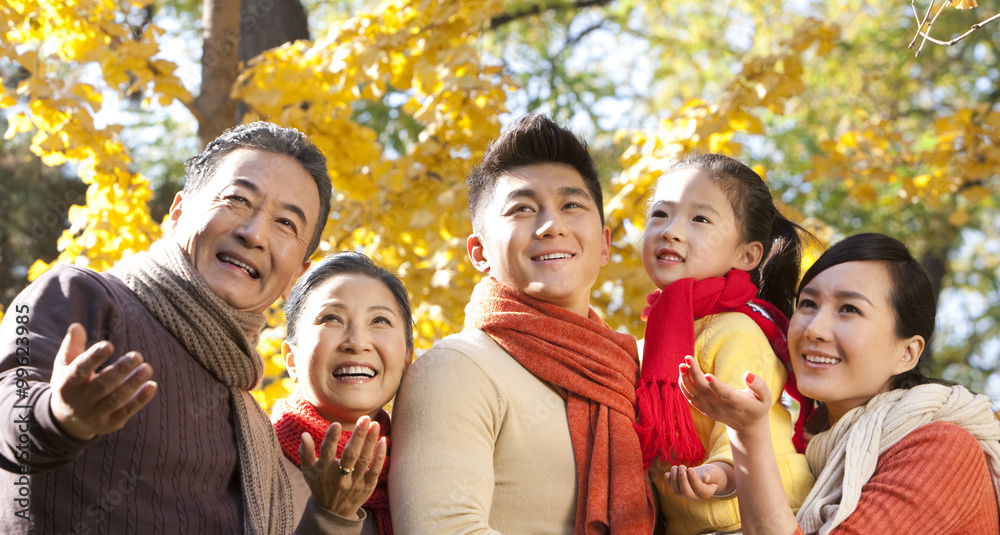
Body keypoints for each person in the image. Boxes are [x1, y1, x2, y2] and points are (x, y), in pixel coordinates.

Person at [0, 121, 357, 533]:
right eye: (238, 199)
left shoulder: (251, 420)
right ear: (178, 212)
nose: (254, 233)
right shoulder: (82, 294)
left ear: (296, 276)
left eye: (286, 224)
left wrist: (331, 515)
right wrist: (60, 418)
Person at [389, 113, 656, 533]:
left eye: (571, 205)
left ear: (604, 244)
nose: (552, 226)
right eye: (523, 209)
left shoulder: (632, 370)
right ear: (479, 253)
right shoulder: (457, 367)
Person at [679, 232, 1000, 534]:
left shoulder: (942, 448)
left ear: (907, 352)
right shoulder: (808, 449)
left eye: (849, 309)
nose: (814, 329)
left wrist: (748, 434)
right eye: (808, 304)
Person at [636, 153, 814, 534]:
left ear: (746, 255)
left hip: (757, 515)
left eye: (699, 219)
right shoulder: (653, 340)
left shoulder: (737, 330)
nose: (671, 231)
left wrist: (719, 473)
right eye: (660, 214)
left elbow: (751, 423)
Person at [271, 252, 414, 534]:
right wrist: (330, 517)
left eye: (380, 321)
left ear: (408, 357)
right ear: (291, 359)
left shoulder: (426, 468)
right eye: (332, 318)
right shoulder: (248, 457)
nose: (357, 342)